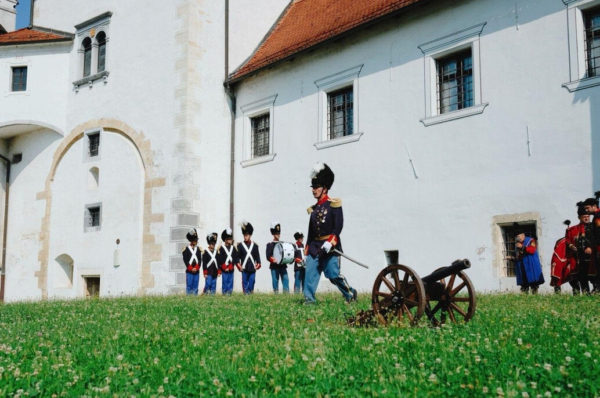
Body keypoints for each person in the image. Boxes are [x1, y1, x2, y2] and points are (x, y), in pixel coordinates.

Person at [303, 162, 357, 304]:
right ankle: (309, 300)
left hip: (330, 247)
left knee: (333, 275)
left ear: (325, 188)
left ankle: (350, 293)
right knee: (310, 274)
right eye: (312, 187)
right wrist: (307, 248)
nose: (313, 190)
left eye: (316, 187)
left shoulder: (334, 204)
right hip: (315, 246)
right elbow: (311, 231)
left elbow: (338, 226)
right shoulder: (313, 209)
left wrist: (331, 241)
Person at [566, 204, 594, 295]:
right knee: (582, 278)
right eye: (584, 217)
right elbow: (567, 240)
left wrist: (591, 247)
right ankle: (585, 294)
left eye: (588, 216)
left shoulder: (594, 227)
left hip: (593, 257)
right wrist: (570, 245)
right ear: (579, 217)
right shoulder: (572, 230)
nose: (586, 218)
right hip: (579, 258)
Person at [514, 224, 544, 294]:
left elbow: (532, 250)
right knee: (524, 285)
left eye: (518, 236)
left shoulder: (531, 240)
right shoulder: (517, 243)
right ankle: (525, 299)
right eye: (516, 237)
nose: (517, 238)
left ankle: (535, 297)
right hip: (522, 267)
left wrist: (522, 247)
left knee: (534, 284)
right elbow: (519, 255)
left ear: (523, 235)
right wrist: (513, 258)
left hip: (531, 265)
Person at [236, 221, 261, 294]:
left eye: (246, 235)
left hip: (252, 268)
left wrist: (258, 265)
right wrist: (239, 266)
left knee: (252, 282)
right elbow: (237, 258)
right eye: (244, 235)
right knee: (244, 283)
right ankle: (246, 296)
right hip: (244, 268)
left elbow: (258, 258)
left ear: (250, 235)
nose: (245, 236)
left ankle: (250, 294)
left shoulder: (255, 246)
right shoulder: (240, 246)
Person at [266, 222, 289, 293]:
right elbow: (268, 256)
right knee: (275, 281)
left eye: (279, 233)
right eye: (276, 233)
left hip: (282, 265)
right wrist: (273, 260)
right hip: (274, 266)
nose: (278, 235)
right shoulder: (270, 244)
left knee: (286, 279)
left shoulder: (282, 243)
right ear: (273, 234)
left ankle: (286, 295)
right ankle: (276, 295)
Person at [217, 228, 237, 295]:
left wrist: (231, 266)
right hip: (224, 268)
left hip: (231, 268)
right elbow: (220, 259)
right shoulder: (221, 248)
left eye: (231, 238)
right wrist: (224, 267)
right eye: (229, 239)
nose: (231, 240)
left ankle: (229, 294)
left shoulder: (233, 248)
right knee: (225, 282)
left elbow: (234, 258)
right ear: (225, 240)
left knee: (230, 282)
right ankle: (224, 294)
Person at [182, 228, 202, 295]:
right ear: (192, 241)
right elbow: (185, 260)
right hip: (189, 271)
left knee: (195, 287)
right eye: (195, 240)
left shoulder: (198, 249)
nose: (196, 241)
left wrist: (196, 268)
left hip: (196, 271)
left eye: (196, 240)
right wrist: (191, 268)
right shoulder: (186, 249)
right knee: (189, 286)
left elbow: (199, 260)